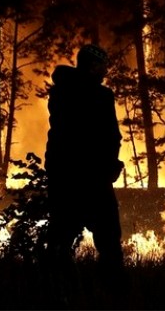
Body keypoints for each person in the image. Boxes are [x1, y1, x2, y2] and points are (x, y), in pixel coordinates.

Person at [44, 43, 125, 282]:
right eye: (102, 66)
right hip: (92, 177)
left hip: (64, 175)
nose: (105, 71)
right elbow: (108, 135)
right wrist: (110, 164)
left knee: (61, 233)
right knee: (108, 235)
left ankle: (54, 285)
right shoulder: (100, 96)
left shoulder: (60, 92)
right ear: (92, 66)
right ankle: (114, 288)